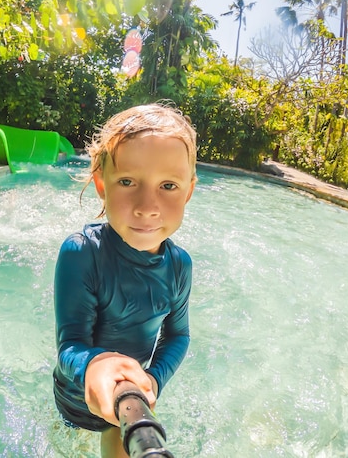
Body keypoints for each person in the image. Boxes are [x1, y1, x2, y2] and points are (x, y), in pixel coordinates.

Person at [53, 103, 197, 457]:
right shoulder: (82, 253)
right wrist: (94, 365)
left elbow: (178, 335)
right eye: (128, 181)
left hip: (134, 400)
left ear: (188, 191)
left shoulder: (179, 266)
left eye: (168, 185)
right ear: (102, 183)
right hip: (77, 392)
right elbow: (69, 344)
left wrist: (153, 379)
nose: (147, 206)